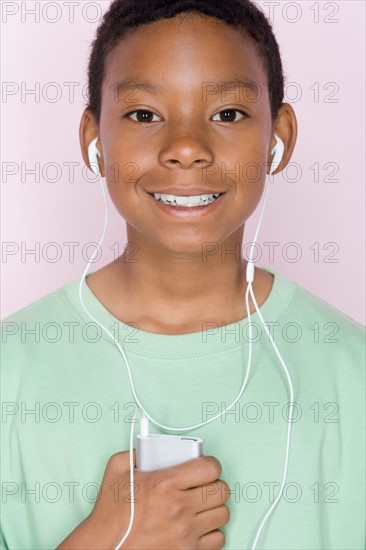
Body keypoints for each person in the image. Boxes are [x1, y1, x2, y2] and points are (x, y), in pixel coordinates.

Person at [1, 0, 364, 549]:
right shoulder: (12, 369)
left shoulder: (352, 374)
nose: (187, 148)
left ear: (278, 137)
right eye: (144, 114)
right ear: (93, 137)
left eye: (228, 114)